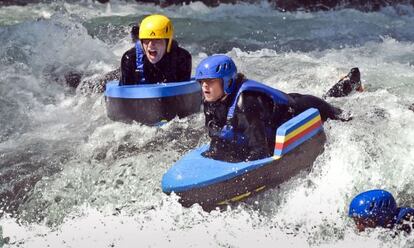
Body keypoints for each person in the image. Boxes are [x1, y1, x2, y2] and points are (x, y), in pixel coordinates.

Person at [194, 54, 349, 163]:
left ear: (227, 82)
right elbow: (217, 136)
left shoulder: (246, 103)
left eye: (210, 81)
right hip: (283, 105)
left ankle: (350, 82)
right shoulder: (210, 99)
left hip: (303, 107)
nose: (205, 86)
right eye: (202, 82)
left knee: (344, 117)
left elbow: (260, 152)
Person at [119, 14, 192, 85]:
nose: (151, 45)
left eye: (157, 39)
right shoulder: (130, 59)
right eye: (146, 40)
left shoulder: (182, 58)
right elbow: (125, 93)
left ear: (167, 43)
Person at [349, 189, 414, 233]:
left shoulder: (407, 224)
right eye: (356, 222)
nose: (359, 228)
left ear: (382, 217)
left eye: (363, 222)